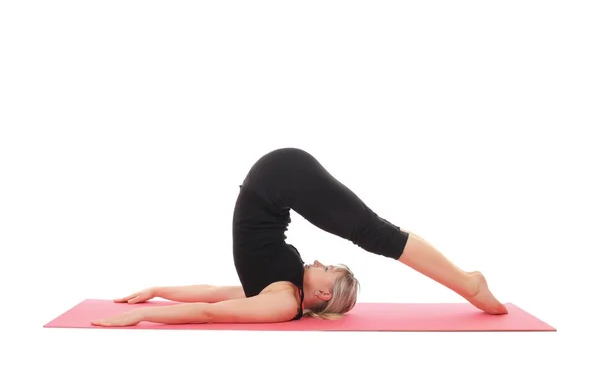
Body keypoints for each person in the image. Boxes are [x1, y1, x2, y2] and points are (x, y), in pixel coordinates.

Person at [92, 148, 507, 327]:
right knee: (372, 231)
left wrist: (148, 308)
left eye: (328, 270)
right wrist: (156, 294)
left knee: (373, 233)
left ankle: (469, 283)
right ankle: (466, 282)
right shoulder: (283, 289)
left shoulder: (281, 302)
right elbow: (212, 298)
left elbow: (210, 304)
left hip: (279, 180)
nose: (321, 262)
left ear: (322, 296)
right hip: (281, 181)